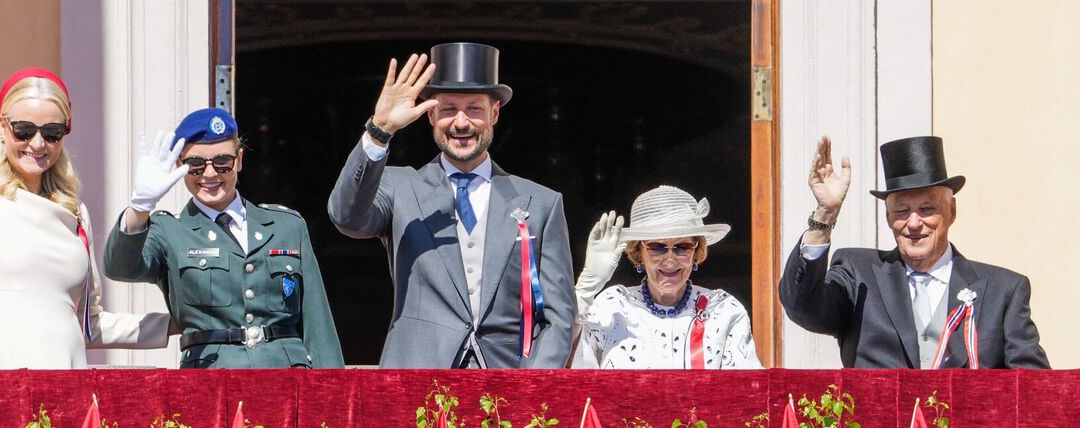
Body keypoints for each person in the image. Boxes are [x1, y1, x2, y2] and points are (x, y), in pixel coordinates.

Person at [328, 43, 576, 368]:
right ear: (430, 114)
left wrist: (534, 385)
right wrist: (380, 131)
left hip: (509, 385)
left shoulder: (542, 203)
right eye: (448, 110)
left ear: (495, 113)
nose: (461, 123)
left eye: (474, 108)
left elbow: (559, 315)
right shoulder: (399, 186)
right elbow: (347, 217)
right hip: (418, 382)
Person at [0, 69, 170, 369]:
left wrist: (181, 322)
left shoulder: (76, 212)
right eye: (24, 130)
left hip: (62, 369)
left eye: (51, 133)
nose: (37, 144)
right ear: (3, 127)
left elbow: (88, 323)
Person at [778, 135, 1050, 368]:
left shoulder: (1004, 290)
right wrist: (825, 214)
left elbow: (1034, 391)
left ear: (951, 212)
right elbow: (802, 308)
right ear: (888, 217)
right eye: (902, 211)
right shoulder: (857, 274)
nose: (914, 222)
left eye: (927, 209)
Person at [104, 108, 344, 368]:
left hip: (285, 375)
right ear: (179, 167)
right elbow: (120, 268)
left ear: (239, 160)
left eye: (222, 162)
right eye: (195, 165)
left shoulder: (287, 226)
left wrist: (331, 397)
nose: (209, 175)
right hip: (211, 379)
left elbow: (318, 326)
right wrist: (139, 207)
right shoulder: (168, 230)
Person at [571, 186, 762, 369]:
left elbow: (749, 392)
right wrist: (587, 287)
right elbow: (568, 370)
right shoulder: (613, 307)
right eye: (657, 247)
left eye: (683, 247)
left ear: (696, 252)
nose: (670, 259)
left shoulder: (724, 309)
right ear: (639, 253)